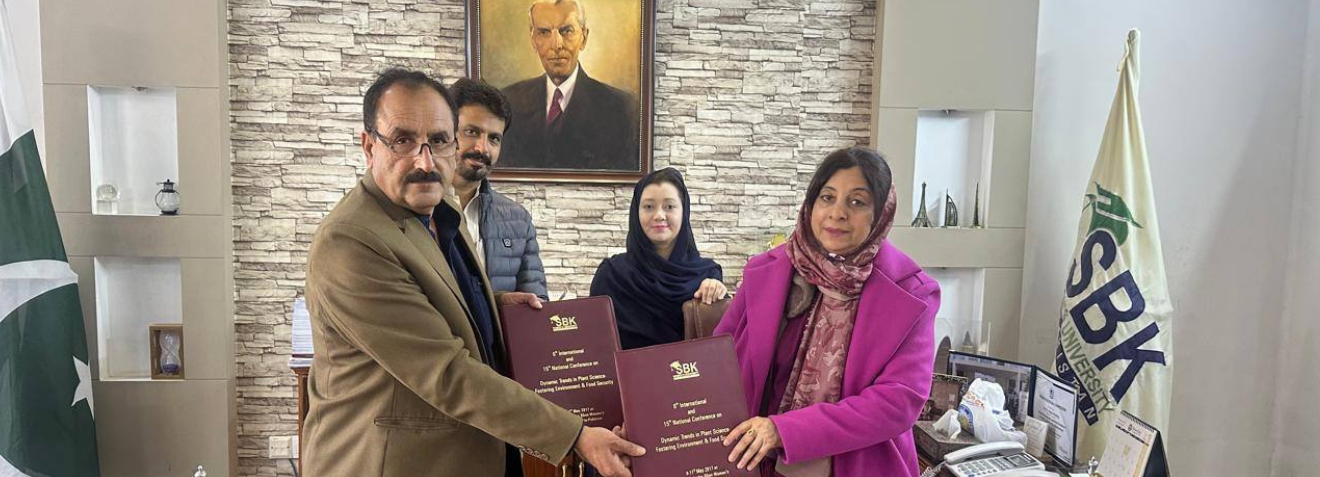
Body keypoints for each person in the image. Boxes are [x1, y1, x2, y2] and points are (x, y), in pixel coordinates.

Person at [302, 68, 643, 477]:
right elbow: (447, 373)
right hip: (395, 462)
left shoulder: (438, 214)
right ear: (368, 145)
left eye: (440, 141)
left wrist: (494, 307)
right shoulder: (352, 240)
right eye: (403, 140)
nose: (425, 161)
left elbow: (436, 303)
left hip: (476, 449)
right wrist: (576, 435)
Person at [715, 147, 940, 477]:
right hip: (755, 463)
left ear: (882, 213)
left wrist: (784, 430)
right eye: (827, 197)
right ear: (810, 205)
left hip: (858, 467)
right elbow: (713, 361)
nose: (837, 213)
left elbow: (897, 402)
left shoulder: (911, 291)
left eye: (857, 202)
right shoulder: (765, 272)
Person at [590, 168, 726, 350]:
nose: (659, 215)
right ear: (636, 213)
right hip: (629, 377)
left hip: (689, 377)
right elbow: (594, 345)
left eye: (669, 206)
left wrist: (717, 293)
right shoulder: (612, 275)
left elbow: (716, 348)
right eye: (648, 206)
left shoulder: (707, 275)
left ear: (684, 212)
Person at [500, 0, 639, 172]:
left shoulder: (622, 109)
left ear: (584, 37)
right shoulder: (508, 102)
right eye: (544, 32)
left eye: (566, 31)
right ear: (533, 40)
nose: (557, 45)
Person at [450, 78, 549, 300]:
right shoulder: (418, 209)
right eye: (471, 132)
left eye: (494, 138)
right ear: (447, 131)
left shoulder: (518, 220)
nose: (482, 148)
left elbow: (536, 304)